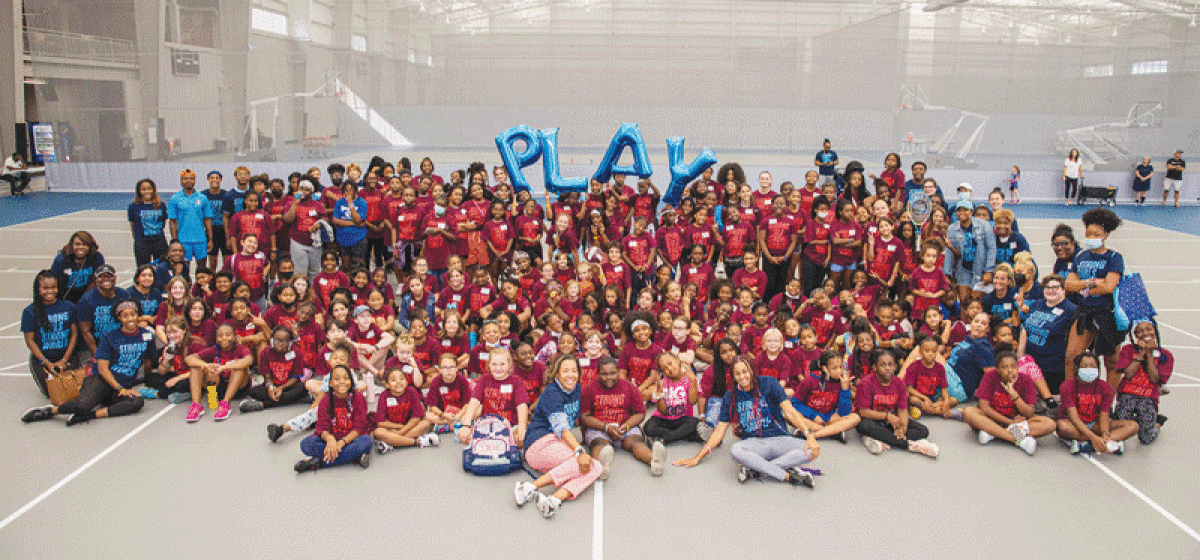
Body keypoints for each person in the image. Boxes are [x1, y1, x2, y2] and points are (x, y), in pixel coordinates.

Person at [674, 358, 820, 487]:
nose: (742, 376)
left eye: (745, 371)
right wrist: (697, 458)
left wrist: (809, 436)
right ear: (733, 376)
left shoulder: (769, 383)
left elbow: (790, 412)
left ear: (752, 370)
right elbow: (719, 430)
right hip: (754, 443)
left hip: (779, 438)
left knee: (811, 450)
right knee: (736, 450)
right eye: (737, 374)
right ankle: (788, 476)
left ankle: (756, 468)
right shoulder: (730, 396)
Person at [21, 301, 150, 426]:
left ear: (138, 315)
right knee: (82, 405)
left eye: (133, 314)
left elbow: (148, 361)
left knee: (137, 402)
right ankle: (50, 411)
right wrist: (120, 388)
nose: (130, 319)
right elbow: (102, 369)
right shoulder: (110, 338)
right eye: (125, 315)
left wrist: (143, 382)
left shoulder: (146, 336)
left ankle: (89, 415)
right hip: (101, 381)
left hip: (121, 387)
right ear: (119, 318)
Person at [514, 355, 601, 518]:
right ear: (557, 375)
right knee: (590, 465)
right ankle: (529, 487)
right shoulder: (552, 393)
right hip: (539, 444)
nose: (570, 375)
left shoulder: (577, 390)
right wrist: (580, 451)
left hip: (557, 444)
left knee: (594, 467)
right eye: (565, 371)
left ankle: (553, 500)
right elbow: (561, 428)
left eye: (574, 371)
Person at [1063, 208, 1126, 384]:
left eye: (1096, 234)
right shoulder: (1081, 256)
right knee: (1071, 356)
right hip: (1084, 311)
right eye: (1088, 233)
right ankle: (1071, 399)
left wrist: (1083, 289)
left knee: (1112, 361)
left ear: (1105, 234)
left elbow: (1109, 286)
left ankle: (1108, 405)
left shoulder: (1114, 257)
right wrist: (1090, 283)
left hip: (1107, 313)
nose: (1091, 237)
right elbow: (1068, 285)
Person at [962, 350, 1054, 455]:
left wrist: (1014, 394)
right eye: (1005, 367)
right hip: (993, 419)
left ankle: (993, 433)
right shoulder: (990, 376)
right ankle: (1018, 440)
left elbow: (1029, 413)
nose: (1010, 370)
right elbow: (984, 408)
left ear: (1018, 367)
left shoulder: (1026, 379)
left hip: (1018, 422)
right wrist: (1009, 422)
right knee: (968, 412)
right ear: (998, 369)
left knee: (1050, 424)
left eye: (1013, 366)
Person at [579, 355, 654, 479]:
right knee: (599, 444)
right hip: (599, 428)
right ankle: (601, 467)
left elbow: (640, 413)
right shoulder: (588, 389)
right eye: (604, 374)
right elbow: (584, 416)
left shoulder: (630, 387)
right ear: (597, 374)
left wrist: (626, 426)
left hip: (625, 426)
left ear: (618, 372)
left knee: (635, 442)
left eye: (613, 373)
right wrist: (605, 427)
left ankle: (654, 461)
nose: (609, 378)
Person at [854, 349, 940, 458]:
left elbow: (902, 409)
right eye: (883, 365)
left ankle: (878, 438)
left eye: (891, 365)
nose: (887, 368)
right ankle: (910, 445)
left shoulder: (899, 383)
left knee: (923, 431)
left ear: (895, 367)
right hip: (873, 419)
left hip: (891, 422)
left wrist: (902, 429)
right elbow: (863, 412)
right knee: (865, 426)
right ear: (874, 367)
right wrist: (887, 416)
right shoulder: (866, 383)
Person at [294, 365, 373, 472]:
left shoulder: (359, 398)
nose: (342, 382)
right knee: (306, 444)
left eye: (346, 378)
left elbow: (359, 428)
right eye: (337, 379)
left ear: (351, 381)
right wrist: (330, 440)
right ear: (330, 383)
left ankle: (318, 463)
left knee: (366, 442)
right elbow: (322, 427)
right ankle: (354, 457)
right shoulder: (325, 401)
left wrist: (341, 443)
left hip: (352, 439)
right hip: (331, 440)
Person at [1056, 352, 1137, 455]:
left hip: (1094, 424)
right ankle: (1104, 444)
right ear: (1077, 369)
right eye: (1084, 366)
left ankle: (1094, 443)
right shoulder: (1066, 386)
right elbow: (1074, 417)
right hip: (1074, 424)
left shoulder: (1105, 387)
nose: (1089, 369)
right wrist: (1093, 437)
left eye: (1092, 366)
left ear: (1098, 369)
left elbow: (1104, 415)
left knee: (1133, 426)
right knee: (1061, 426)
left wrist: (1105, 434)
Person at [1111, 320, 1172, 444]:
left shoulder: (1166, 355)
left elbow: (1154, 379)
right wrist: (1141, 352)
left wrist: (1149, 354)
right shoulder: (1128, 350)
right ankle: (1133, 418)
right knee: (1121, 426)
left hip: (1148, 398)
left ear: (1155, 330)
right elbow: (1128, 375)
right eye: (1140, 331)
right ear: (1135, 335)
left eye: (1148, 329)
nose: (1145, 333)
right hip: (1127, 395)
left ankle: (1157, 423)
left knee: (1146, 438)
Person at [22, 271, 78, 397]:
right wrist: (45, 362)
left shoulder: (69, 307)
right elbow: (30, 341)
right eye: (45, 288)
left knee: (73, 389)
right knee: (53, 392)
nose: (50, 291)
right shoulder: (29, 312)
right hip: (43, 358)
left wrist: (64, 360)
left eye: (53, 287)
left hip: (66, 356)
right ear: (38, 289)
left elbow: (74, 334)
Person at [183, 324, 252, 422]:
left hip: (239, 388)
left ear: (235, 337)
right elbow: (189, 359)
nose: (224, 338)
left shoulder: (240, 348)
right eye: (220, 336)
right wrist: (206, 365)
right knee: (196, 367)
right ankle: (196, 406)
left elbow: (248, 360)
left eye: (228, 335)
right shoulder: (214, 349)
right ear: (216, 338)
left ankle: (225, 404)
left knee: (239, 366)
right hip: (220, 388)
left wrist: (223, 367)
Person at [373, 366, 439, 453]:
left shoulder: (411, 391)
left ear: (407, 381)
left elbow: (416, 417)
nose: (398, 382)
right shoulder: (383, 395)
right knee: (378, 432)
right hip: (391, 427)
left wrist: (400, 433)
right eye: (393, 380)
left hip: (410, 426)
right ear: (387, 384)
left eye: (402, 378)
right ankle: (417, 442)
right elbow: (381, 422)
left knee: (426, 423)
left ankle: (391, 442)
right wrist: (400, 427)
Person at [943, 199, 996, 300]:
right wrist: (947, 273)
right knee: (964, 301)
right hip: (963, 270)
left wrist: (989, 270)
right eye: (959, 210)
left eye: (965, 210)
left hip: (980, 270)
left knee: (978, 302)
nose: (962, 213)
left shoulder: (984, 226)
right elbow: (949, 252)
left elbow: (991, 248)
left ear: (971, 212)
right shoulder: (952, 229)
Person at [167, 169, 214, 266]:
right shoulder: (174, 199)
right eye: (185, 179)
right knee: (183, 269)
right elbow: (173, 222)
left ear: (194, 180)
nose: (188, 181)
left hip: (200, 240)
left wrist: (210, 239)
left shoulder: (203, 198)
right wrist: (175, 241)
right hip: (183, 240)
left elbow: (208, 220)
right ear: (181, 181)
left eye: (191, 179)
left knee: (202, 268)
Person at [50, 231, 104, 303]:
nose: (81, 247)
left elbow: (97, 280)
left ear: (90, 246)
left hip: (87, 296)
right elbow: (53, 281)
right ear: (71, 245)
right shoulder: (61, 259)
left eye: (85, 244)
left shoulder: (96, 257)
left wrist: (84, 299)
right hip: (65, 296)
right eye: (77, 244)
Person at [128, 178, 169, 266]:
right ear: (139, 191)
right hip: (142, 242)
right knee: (143, 268)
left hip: (159, 241)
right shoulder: (133, 206)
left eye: (149, 188)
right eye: (143, 189)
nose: (147, 191)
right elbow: (132, 224)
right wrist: (137, 238)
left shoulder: (160, 205)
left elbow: (163, 222)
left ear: (153, 190)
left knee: (162, 267)